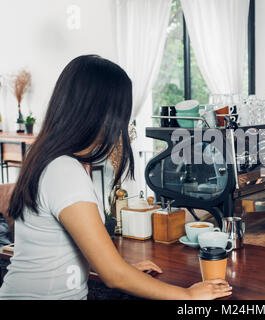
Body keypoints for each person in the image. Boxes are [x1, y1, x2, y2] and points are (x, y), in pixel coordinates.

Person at [0, 55, 232, 300]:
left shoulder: (49, 158)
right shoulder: (64, 170)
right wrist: (188, 295)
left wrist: (119, 268)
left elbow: (56, 251)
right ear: (102, 113)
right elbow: (113, 276)